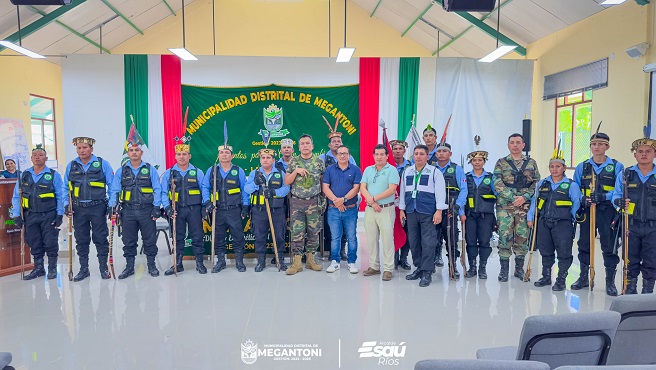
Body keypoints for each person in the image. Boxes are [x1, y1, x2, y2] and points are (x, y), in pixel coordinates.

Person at [571, 132, 624, 296]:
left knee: (609, 246)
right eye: (593, 144)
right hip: (588, 210)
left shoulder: (617, 166)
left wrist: (604, 196)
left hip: (607, 211)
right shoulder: (583, 166)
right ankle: (583, 278)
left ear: (607, 146)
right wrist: (583, 199)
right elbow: (575, 188)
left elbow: (619, 190)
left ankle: (610, 282)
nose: (596, 147)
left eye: (600, 144)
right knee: (584, 244)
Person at [527, 146, 580, 291]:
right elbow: (534, 201)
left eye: (558, 166)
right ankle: (545, 276)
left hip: (563, 224)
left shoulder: (571, 185)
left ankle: (561, 279)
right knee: (545, 251)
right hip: (544, 222)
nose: (554, 169)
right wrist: (530, 217)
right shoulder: (542, 183)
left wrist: (575, 219)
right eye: (551, 166)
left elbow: (576, 203)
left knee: (564, 252)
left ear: (564, 168)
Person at [612, 129, 656, 294]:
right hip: (631, 225)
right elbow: (615, 195)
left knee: (651, 261)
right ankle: (630, 289)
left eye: (648, 151)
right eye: (640, 152)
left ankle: (647, 291)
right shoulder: (626, 174)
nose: (644, 154)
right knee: (630, 259)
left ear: (654, 154)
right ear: (635, 155)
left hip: (653, 227)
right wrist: (619, 201)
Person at [63, 137, 114, 281]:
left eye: (85, 148)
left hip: (98, 207)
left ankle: (103, 268)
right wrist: (66, 205)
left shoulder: (103, 164)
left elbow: (112, 186)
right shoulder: (71, 165)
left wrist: (111, 205)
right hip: (78, 209)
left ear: (91, 149)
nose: (81, 151)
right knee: (81, 240)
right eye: (79, 148)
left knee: (100, 238)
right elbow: (65, 187)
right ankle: (84, 269)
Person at [108, 142, 162, 279]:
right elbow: (115, 189)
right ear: (128, 153)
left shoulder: (150, 169)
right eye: (131, 150)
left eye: (137, 150)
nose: (134, 152)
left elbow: (157, 189)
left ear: (141, 153)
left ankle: (152, 265)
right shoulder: (121, 170)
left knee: (149, 240)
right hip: (128, 211)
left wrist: (157, 207)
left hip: (146, 210)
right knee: (129, 241)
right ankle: (129, 267)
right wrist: (112, 206)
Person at [11, 145, 64, 280]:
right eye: (34, 155)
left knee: (50, 241)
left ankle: (52, 268)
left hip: (49, 214)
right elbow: (17, 196)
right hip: (30, 215)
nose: (37, 157)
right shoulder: (24, 175)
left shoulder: (53, 175)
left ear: (46, 158)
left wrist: (59, 215)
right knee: (34, 241)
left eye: (40, 154)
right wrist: (16, 215)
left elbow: (60, 196)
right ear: (31, 158)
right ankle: (39, 268)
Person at [493, 133, 540, 282]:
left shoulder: (531, 163)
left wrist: (524, 198)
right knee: (504, 236)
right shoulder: (501, 162)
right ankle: (504, 270)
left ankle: (519, 269)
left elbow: (536, 183)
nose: (515, 145)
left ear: (523, 145)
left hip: (524, 207)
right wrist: (512, 197)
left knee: (522, 237)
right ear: (508, 145)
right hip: (505, 206)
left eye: (518, 142)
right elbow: (497, 182)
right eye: (512, 142)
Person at [399, 144, 447, 287]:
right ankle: (419, 268)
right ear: (413, 156)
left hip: (428, 212)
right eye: (416, 154)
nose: (418, 156)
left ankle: (427, 272)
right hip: (411, 211)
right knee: (414, 242)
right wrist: (402, 209)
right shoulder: (407, 171)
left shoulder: (434, 172)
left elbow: (440, 193)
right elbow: (403, 191)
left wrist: (439, 211)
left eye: (421, 154)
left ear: (427, 156)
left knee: (428, 242)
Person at [160, 139, 207, 275]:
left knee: (197, 236)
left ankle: (200, 263)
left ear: (189, 156)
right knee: (178, 237)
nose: (182, 156)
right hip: (176, 210)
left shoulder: (198, 172)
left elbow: (204, 190)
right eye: (179, 154)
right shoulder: (168, 174)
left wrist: (205, 206)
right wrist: (167, 208)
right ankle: (178, 263)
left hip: (194, 210)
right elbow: (164, 192)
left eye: (185, 154)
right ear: (175, 156)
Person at [201, 143, 249, 273]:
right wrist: (207, 202)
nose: (224, 155)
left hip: (234, 209)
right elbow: (205, 187)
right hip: (217, 210)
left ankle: (239, 261)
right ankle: (221, 261)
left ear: (232, 156)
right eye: (222, 153)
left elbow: (245, 190)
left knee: (238, 237)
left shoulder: (238, 170)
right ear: (218, 155)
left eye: (227, 153)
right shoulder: (212, 170)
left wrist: (245, 206)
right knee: (218, 237)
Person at [284, 134, 325, 275]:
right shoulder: (293, 162)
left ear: (312, 146)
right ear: (299, 147)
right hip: (297, 202)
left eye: (308, 143)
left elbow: (323, 182)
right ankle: (296, 262)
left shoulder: (319, 162)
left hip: (314, 202)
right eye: (302, 144)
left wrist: (323, 200)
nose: (305, 146)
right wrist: (295, 171)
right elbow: (287, 181)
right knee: (297, 232)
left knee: (314, 231)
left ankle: (310, 260)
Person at [245, 148, 290, 272]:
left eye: (268, 157)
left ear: (273, 160)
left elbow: (286, 189)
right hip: (259, 210)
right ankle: (261, 260)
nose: (265, 160)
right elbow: (247, 189)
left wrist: (273, 192)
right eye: (263, 158)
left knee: (279, 235)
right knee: (259, 236)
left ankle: (280, 259)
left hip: (277, 210)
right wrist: (255, 183)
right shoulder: (255, 173)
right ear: (260, 160)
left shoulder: (280, 173)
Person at [361, 144, 399, 281]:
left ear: (387, 156)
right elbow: (363, 187)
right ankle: (374, 266)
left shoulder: (392, 170)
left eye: (382, 154)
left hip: (386, 209)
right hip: (371, 210)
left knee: (387, 239)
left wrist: (374, 199)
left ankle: (388, 269)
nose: (379, 157)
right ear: (373, 156)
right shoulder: (368, 170)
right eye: (376, 154)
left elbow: (392, 189)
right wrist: (372, 202)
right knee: (371, 239)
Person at [322, 145, 361, 274]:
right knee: (335, 237)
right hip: (333, 209)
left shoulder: (355, 170)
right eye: (340, 153)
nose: (342, 155)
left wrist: (343, 200)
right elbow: (325, 188)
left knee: (351, 237)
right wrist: (336, 201)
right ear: (336, 155)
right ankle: (335, 261)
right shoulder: (329, 169)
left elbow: (356, 188)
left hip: (350, 209)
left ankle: (351, 262)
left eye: (345, 153)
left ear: (349, 155)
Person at [463, 137, 497, 279]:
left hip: (486, 215)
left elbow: (497, 194)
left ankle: (482, 268)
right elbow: (462, 195)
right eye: (474, 160)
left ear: (484, 162)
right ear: (471, 162)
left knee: (484, 241)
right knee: (470, 241)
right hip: (470, 214)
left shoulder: (491, 177)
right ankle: (472, 267)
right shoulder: (466, 177)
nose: (477, 162)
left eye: (480, 160)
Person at [319, 121, 353, 261]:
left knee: (345, 226)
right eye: (334, 141)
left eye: (339, 141)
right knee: (329, 226)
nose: (337, 143)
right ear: (329, 145)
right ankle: (330, 251)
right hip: (328, 199)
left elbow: (355, 178)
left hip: (345, 198)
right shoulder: (322, 158)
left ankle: (342, 250)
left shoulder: (350, 158)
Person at [433, 137, 467, 279]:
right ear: (435, 154)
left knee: (451, 239)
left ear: (450, 154)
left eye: (444, 151)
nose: (441, 153)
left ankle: (452, 266)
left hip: (451, 209)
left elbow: (464, 190)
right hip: (434, 210)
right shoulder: (431, 169)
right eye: (439, 151)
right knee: (432, 238)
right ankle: (432, 263)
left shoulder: (457, 169)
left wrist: (458, 207)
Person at [271, 138, 294, 265]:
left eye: (288, 147)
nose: (286, 149)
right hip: (280, 200)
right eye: (284, 147)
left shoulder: (297, 163)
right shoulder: (276, 165)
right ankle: (278, 254)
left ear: (292, 150)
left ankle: (297, 254)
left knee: (296, 227)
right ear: (281, 150)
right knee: (279, 228)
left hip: (296, 198)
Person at [391, 139, 411, 270]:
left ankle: (404, 259)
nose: (397, 151)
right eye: (395, 149)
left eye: (400, 149)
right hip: (391, 204)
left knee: (407, 231)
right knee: (393, 231)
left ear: (404, 151)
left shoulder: (411, 167)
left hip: (408, 203)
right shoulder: (388, 166)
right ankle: (394, 258)